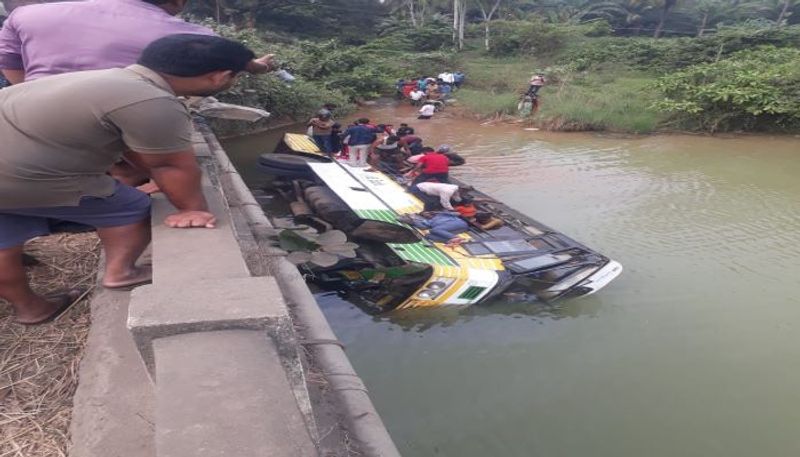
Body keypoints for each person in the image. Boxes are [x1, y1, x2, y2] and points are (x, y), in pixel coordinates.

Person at [0, 34, 254, 325]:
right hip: (20, 176)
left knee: (4, 240)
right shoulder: (153, 100)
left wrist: (151, 173)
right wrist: (191, 209)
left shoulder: (105, 79)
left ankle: (32, 309)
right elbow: (171, 166)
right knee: (131, 207)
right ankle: (121, 272)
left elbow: (137, 148)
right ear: (220, 77)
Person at [0, 0, 276, 84]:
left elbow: (9, 60)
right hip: (122, 132)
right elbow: (237, 60)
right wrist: (261, 66)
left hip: (24, 120)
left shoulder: (28, 14)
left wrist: (32, 93)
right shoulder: (195, 34)